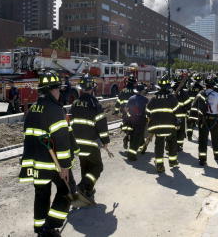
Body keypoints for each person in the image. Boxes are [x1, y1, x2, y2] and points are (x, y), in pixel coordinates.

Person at [19, 71, 76, 237]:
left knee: (41, 194)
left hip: (35, 163)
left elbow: (27, 135)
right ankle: (50, 227)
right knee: (67, 190)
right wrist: (65, 166)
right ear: (53, 90)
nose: (60, 92)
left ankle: (40, 228)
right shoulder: (55, 110)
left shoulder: (32, 109)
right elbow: (63, 141)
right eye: (58, 89)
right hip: (53, 164)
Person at [70, 75, 109, 205]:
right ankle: (82, 187)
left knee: (85, 168)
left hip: (77, 144)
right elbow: (102, 126)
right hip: (91, 144)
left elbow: (71, 123)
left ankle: (87, 192)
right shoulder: (95, 104)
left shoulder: (74, 104)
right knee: (98, 167)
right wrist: (105, 141)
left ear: (81, 89)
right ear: (92, 88)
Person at [146, 75, 180, 173]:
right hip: (170, 127)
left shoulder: (153, 99)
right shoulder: (172, 98)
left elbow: (147, 112)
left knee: (159, 146)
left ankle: (160, 166)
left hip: (158, 128)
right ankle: (173, 162)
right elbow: (177, 112)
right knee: (172, 145)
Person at [189, 80, 218, 166]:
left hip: (203, 119)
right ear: (213, 86)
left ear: (206, 86)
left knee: (202, 139)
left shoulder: (200, 94)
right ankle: (217, 154)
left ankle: (202, 159)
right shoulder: (217, 95)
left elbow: (194, 106)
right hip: (214, 119)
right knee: (215, 138)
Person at [125, 83, 149, 159]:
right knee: (136, 138)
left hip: (131, 120)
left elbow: (126, 109)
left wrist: (129, 117)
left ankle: (142, 148)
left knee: (136, 136)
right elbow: (147, 111)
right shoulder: (145, 100)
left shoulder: (131, 98)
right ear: (142, 91)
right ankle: (131, 155)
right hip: (141, 121)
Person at [115, 74, 137, 149]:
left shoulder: (123, 90)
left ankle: (126, 136)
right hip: (134, 113)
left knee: (126, 124)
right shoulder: (135, 91)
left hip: (124, 112)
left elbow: (118, 101)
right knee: (134, 127)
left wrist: (116, 111)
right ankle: (131, 139)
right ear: (134, 82)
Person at [172, 76, 189, 152]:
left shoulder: (170, 93)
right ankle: (179, 146)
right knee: (181, 132)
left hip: (172, 117)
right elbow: (188, 105)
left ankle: (169, 145)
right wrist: (185, 110)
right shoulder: (184, 93)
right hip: (181, 116)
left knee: (172, 131)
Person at [186, 73, 203, 140]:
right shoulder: (201, 88)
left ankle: (189, 136)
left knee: (190, 123)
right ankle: (200, 137)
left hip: (190, 108)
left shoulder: (189, 87)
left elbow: (187, 97)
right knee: (200, 123)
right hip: (198, 108)